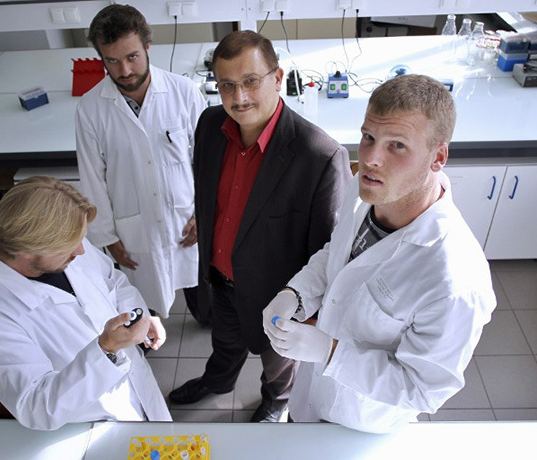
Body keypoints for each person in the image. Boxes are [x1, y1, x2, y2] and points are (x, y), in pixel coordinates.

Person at [263, 74, 497, 433]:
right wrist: (294, 295)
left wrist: (330, 353)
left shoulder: (455, 279)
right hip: (310, 396)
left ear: (438, 157)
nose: (370, 158)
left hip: (359, 424)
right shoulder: (366, 192)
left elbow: (422, 389)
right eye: (368, 137)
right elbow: (336, 256)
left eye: (397, 146)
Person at [168, 30, 351, 422]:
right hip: (220, 280)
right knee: (224, 344)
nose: (239, 98)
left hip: (276, 297)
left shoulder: (318, 155)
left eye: (251, 81)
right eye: (227, 86)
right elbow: (210, 190)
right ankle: (218, 381)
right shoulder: (210, 124)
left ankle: (275, 401)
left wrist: (308, 316)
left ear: (278, 78)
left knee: (279, 363)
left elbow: (326, 251)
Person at [0, 176, 171, 431]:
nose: (81, 251)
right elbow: (37, 408)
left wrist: (138, 317)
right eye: (71, 247)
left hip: (143, 395)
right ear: (27, 251)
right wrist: (105, 349)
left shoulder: (65, 244)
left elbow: (112, 281)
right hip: (94, 427)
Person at [76, 4, 208, 323]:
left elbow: (207, 162)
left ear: (148, 47)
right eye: (113, 61)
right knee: (141, 298)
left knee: (203, 292)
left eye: (132, 56)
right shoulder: (91, 109)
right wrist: (107, 237)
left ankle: (206, 317)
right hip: (134, 228)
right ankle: (146, 336)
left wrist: (205, 213)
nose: (124, 71)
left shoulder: (184, 93)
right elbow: (92, 178)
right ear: (101, 59)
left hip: (187, 220)